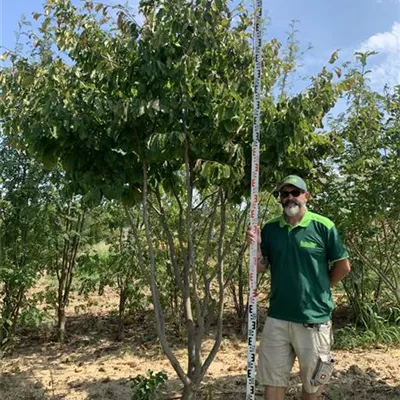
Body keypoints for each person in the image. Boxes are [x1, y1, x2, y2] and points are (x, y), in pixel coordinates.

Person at [246, 175, 351, 400]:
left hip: (313, 319)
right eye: (285, 194)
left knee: (313, 385)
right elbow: (262, 267)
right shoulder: (271, 229)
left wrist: (322, 287)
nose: (290, 198)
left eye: (296, 193)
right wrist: (256, 247)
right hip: (278, 319)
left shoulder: (323, 226)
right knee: (272, 382)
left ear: (306, 196)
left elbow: (343, 266)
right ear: (280, 199)